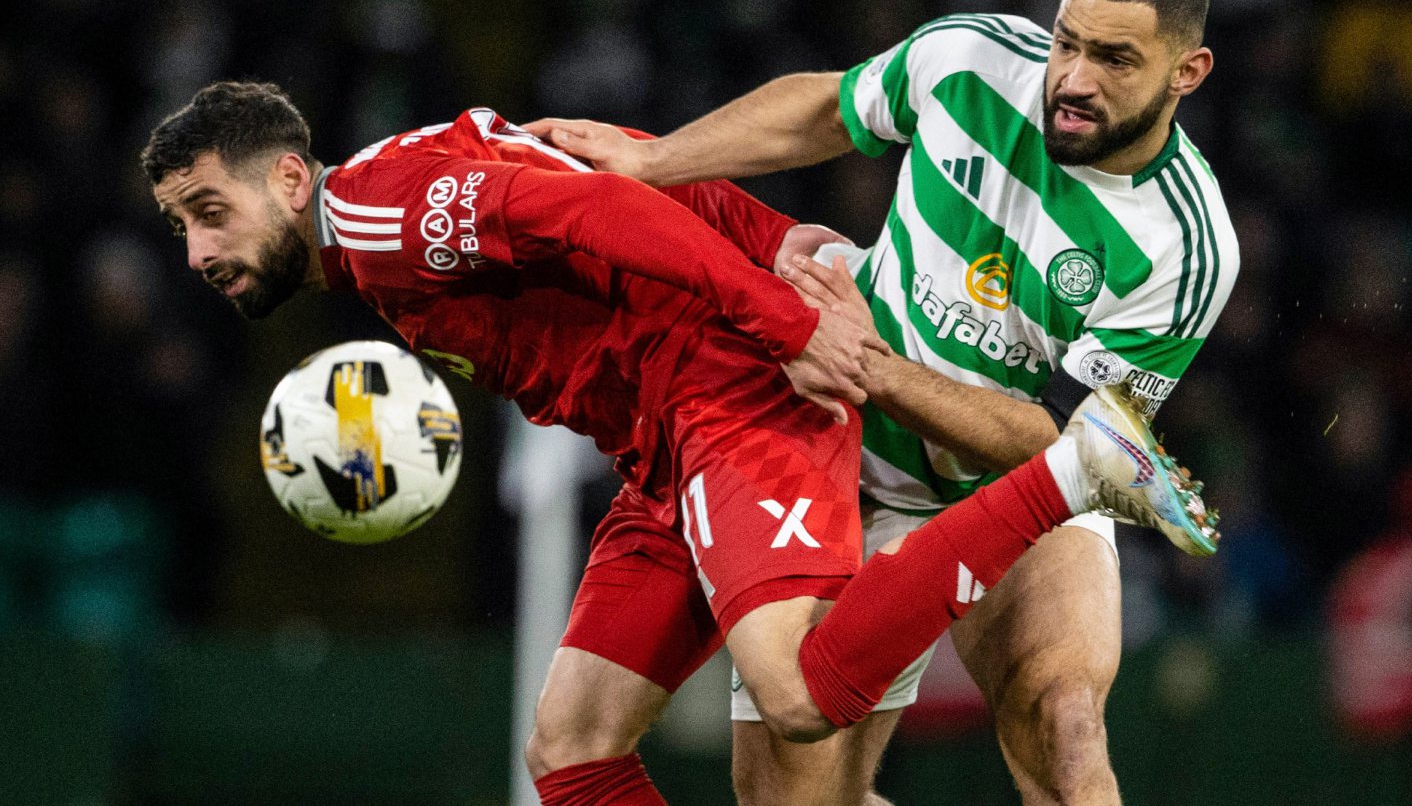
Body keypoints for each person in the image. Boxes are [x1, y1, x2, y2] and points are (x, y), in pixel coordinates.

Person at [143, 78, 1215, 806]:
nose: (197, 250)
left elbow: (595, 218)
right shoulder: (395, 197)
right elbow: (604, 171)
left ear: (288, 179)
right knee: (570, 746)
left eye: (208, 210)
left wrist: (782, 315)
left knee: (796, 693)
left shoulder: (377, 215)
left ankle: (1076, 468)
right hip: (657, 448)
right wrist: (769, 232)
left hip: (726, 393)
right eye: (181, 225)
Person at [529, 0, 1240, 804]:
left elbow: (1055, 444)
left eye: (1115, 59)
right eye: (1067, 41)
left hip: (1006, 484)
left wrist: (871, 364)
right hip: (830, 457)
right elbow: (829, 110)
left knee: (1066, 728)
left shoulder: (1188, 249)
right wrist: (655, 160)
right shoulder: (972, 61)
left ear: (1188, 72)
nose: (1074, 79)